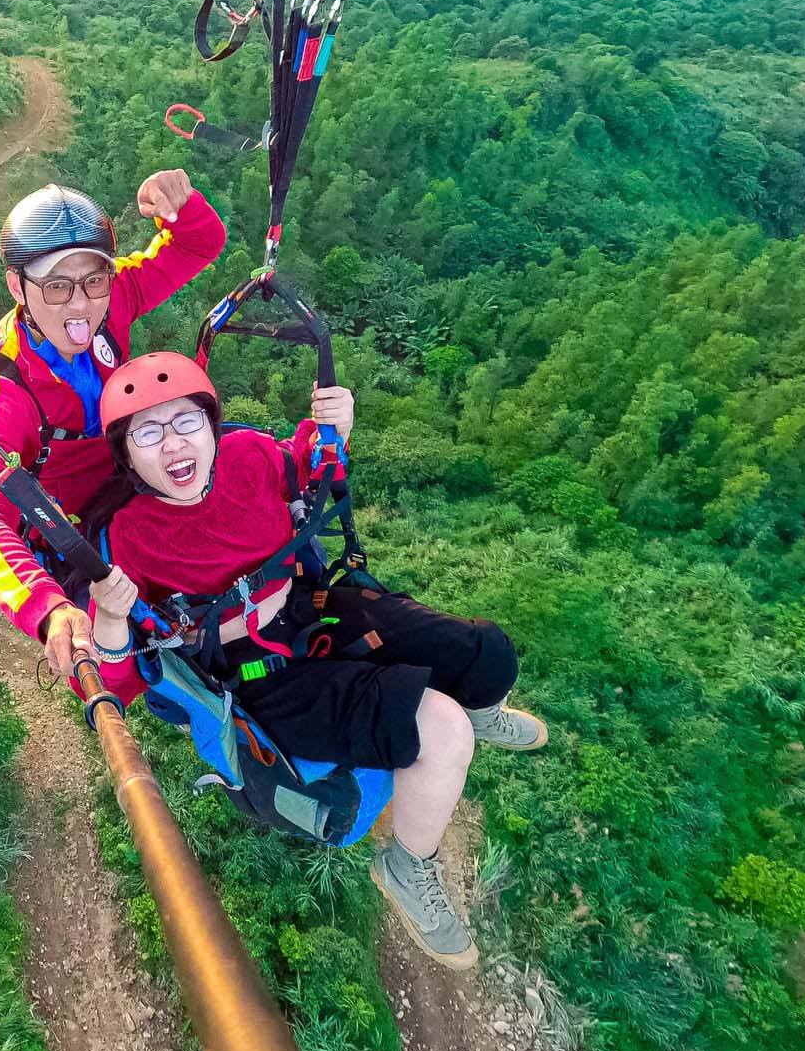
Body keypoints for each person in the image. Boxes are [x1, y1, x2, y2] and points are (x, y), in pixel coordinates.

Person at [82, 352, 546, 970]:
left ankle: (480, 704)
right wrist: (111, 620)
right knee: (440, 730)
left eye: (186, 422)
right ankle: (407, 867)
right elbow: (118, 678)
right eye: (148, 434)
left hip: (312, 607)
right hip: (257, 676)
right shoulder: (130, 539)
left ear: (211, 426)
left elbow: (302, 464)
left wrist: (334, 429)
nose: (172, 446)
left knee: (486, 653)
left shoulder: (247, 456)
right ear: (129, 458)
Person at [0, 173, 227, 676]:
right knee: (117, 648)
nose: (80, 305)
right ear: (18, 285)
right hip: (81, 520)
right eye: (56, 285)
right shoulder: (0, 392)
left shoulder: (112, 297)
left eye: (92, 280)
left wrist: (179, 205)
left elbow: (199, 244)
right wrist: (47, 607)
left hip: (139, 466)